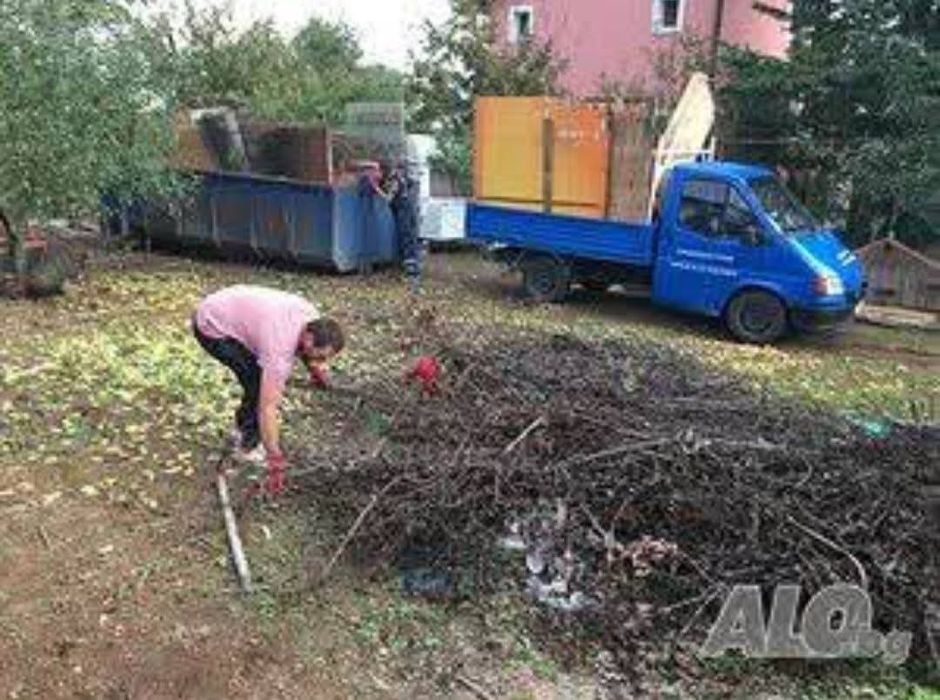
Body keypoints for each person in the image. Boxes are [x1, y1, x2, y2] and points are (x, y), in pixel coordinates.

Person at [192, 285, 345, 495]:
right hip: (211, 325)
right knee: (257, 385)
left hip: (226, 303)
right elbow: (268, 408)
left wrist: (315, 370)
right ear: (308, 339)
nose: (321, 361)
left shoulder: (312, 318)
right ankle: (245, 444)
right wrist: (275, 457)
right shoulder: (279, 351)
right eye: (320, 357)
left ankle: (243, 431)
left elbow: (305, 350)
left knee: (261, 376)